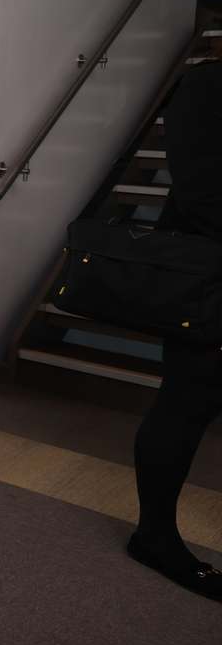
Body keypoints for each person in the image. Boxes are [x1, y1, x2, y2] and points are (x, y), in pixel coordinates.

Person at [128, 34, 222, 601]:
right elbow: (199, 189)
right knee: (186, 404)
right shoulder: (207, 82)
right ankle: (154, 537)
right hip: (209, 279)